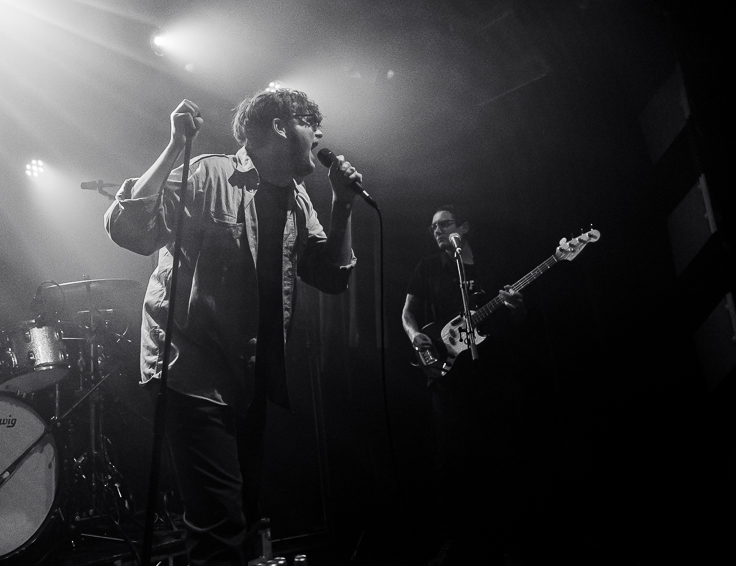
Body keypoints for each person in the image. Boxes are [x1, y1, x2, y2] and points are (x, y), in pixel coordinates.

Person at [104, 88, 361, 565]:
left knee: (241, 520)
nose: (320, 135)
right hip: (191, 372)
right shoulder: (209, 174)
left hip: (250, 378)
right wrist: (175, 145)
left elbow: (331, 276)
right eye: (310, 123)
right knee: (220, 529)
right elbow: (131, 229)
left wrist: (343, 205)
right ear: (280, 126)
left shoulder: (298, 199)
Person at [401, 205, 524, 565]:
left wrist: (516, 307)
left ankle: (507, 540)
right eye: (433, 227)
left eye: (445, 224)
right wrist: (415, 337)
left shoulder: (488, 266)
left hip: (490, 372)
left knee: (499, 454)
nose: (437, 230)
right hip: (447, 376)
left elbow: (518, 318)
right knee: (450, 460)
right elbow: (407, 313)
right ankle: (456, 541)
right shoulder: (427, 267)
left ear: (464, 227)